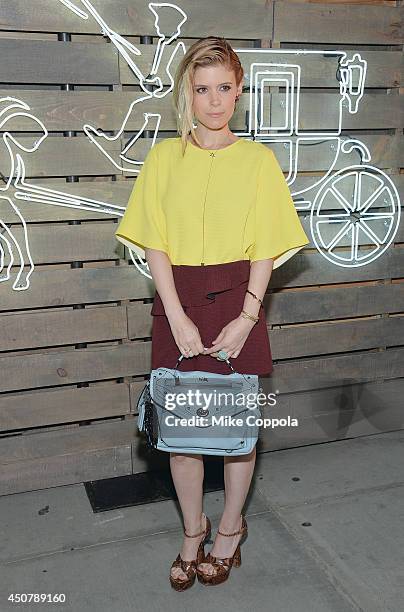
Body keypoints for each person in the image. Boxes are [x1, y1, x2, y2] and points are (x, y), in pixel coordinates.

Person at [115, 36, 310, 590]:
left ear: (239, 91)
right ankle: (191, 532)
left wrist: (247, 316)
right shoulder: (163, 158)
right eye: (203, 89)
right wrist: (174, 314)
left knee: (236, 432)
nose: (214, 100)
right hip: (176, 300)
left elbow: (267, 246)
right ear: (187, 94)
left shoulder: (258, 160)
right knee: (181, 435)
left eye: (224, 87)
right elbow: (154, 241)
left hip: (237, 301)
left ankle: (229, 531)